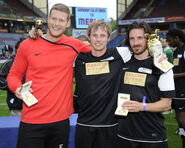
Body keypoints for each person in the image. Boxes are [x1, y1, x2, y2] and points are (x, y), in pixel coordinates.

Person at [7, 3, 91, 148]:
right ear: (48, 19)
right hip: (31, 121)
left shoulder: (74, 45)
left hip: (60, 123)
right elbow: (13, 75)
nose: (56, 24)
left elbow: (99, 52)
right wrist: (17, 87)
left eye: (61, 20)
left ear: (68, 23)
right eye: (54, 19)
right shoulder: (27, 44)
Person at [116, 21, 175, 148]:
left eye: (140, 38)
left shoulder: (162, 66)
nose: (135, 43)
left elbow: (166, 104)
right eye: (132, 38)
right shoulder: (122, 61)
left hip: (151, 136)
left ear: (148, 39)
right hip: (123, 135)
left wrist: (141, 106)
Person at [74, 20, 132, 148]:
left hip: (110, 125)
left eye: (102, 35)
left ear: (108, 37)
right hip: (84, 124)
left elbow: (142, 48)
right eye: (95, 35)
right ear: (89, 37)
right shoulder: (78, 59)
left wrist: (158, 55)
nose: (98, 39)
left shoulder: (120, 54)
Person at [166, 29, 185, 148]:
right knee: (179, 119)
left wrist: (174, 76)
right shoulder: (175, 51)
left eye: (170, 40)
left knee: (183, 120)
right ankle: (183, 139)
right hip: (176, 90)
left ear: (177, 38)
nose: (168, 42)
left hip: (183, 90)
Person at [0, 39, 24, 116]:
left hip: (35, 107)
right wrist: (13, 86)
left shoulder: (34, 64)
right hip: (16, 107)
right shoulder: (8, 64)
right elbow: (1, 81)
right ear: (16, 50)